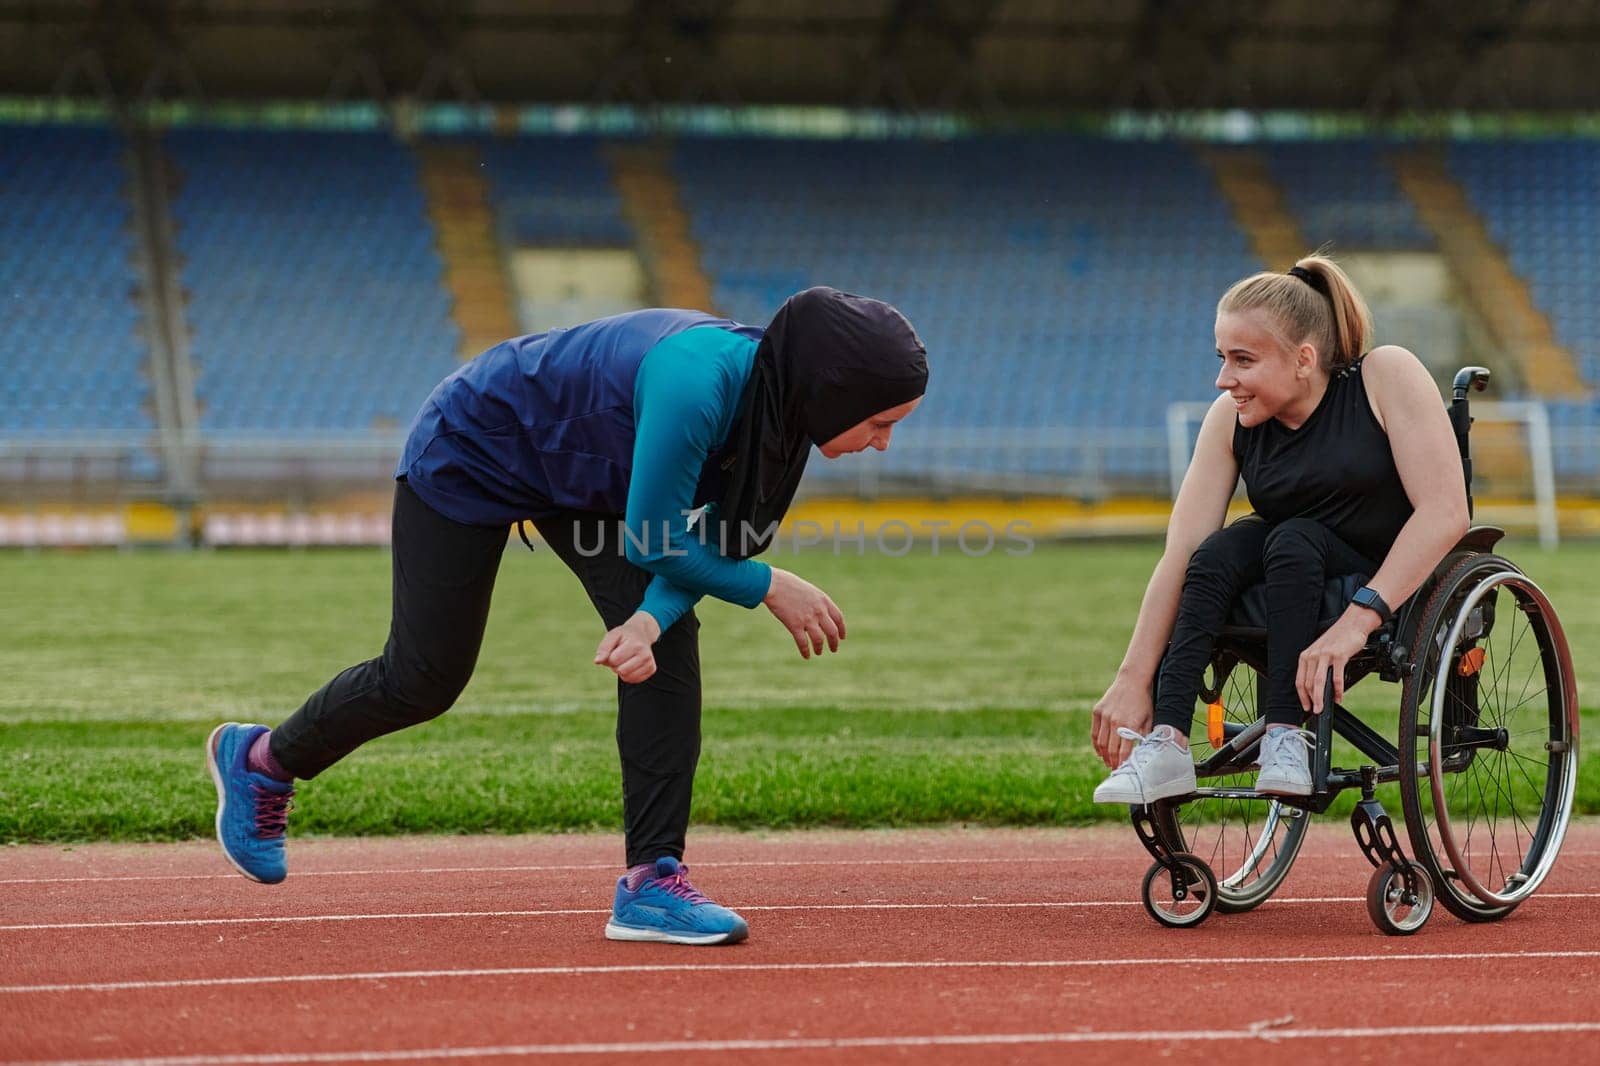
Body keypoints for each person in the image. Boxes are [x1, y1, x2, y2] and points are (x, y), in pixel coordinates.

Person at [205, 286, 929, 946]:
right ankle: (263, 762)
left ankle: (652, 883)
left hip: (584, 481)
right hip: (478, 444)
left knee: (669, 638)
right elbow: (657, 541)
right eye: (879, 421)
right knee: (425, 676)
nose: (884, 441)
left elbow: (707, 546)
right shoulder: (699, 384)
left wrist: (646, 622)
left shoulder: (784, 415)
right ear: (832, 391)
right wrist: (769, 584)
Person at [1090, 255, 1468, 803]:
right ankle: (1168, 742)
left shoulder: (1385, 375)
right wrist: (1131, 677)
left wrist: (1356, 622)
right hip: (1292, 570)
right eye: (1221, 358)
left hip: (1383, 577)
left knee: (1292, 536)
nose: (1225, 380)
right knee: (1219, 552)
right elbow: (1181, 552)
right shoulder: (1230, 417)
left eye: (1243, 360)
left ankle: (1287, 736)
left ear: (1303, 359)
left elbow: (1445, 513)